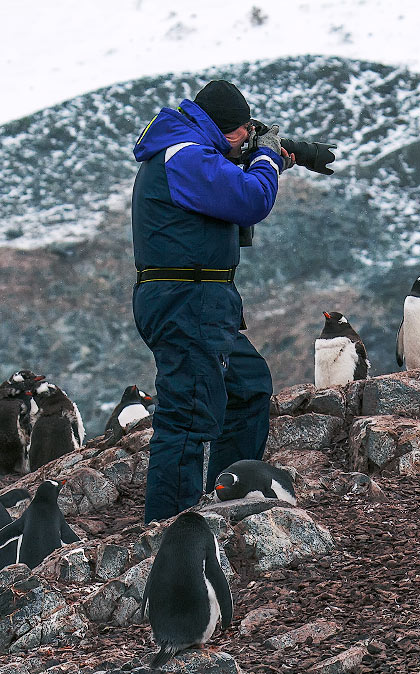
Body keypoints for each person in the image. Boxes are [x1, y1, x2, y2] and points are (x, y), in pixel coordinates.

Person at [131, 80, 293, 522]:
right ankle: (171, 534)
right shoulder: (184, 156)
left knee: (247, 387)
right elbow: (251, 199)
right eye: (244, 131)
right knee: (186, 418)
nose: (248, 137)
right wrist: (266, 159)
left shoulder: (191, 151)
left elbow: (230, 182)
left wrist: (276, 157)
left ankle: (228, 500)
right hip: (187, 300)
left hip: (200, 301)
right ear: (223, 129)